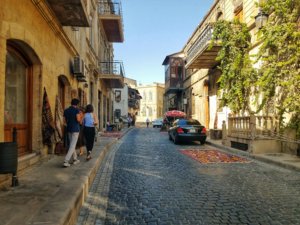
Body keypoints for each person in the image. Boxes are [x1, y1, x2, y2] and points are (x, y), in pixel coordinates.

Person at [63, 98, 82, 167]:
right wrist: (81, 117)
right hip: (75, 129)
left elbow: (64, 121)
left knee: (71, 144)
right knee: (72, 145)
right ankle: (66, 160)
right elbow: (78, 120)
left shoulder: (66, 110)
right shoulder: (77, 110)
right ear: (77, 104)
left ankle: (75, 159)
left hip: (69, 129)